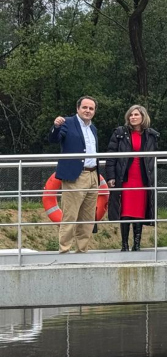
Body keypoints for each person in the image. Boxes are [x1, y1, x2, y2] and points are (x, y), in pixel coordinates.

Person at [48, 96, 100, 253]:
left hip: (93, 175)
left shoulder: (93, 128)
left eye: (91, 108)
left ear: (94, 111)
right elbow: (53, 139)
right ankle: (64, 251)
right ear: (78, 108)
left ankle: (82, 250)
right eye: (85, 107)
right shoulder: (68, 122)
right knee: (70, 215)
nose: (88, 111)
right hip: (75, 176)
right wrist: (56, 126)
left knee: (88, 217)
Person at [105, 105, 159, 252]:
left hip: (142, 177)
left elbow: (153, 157)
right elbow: (110, 156)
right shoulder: (120, 133)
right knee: (125, 210)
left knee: (139, 211)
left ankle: (137, 244)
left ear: (143, 117)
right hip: (125, 177)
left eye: (136, 115)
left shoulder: (151, 135)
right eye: (131, 115)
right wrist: (111, 176)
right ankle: (124, 245)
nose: (133, 117)